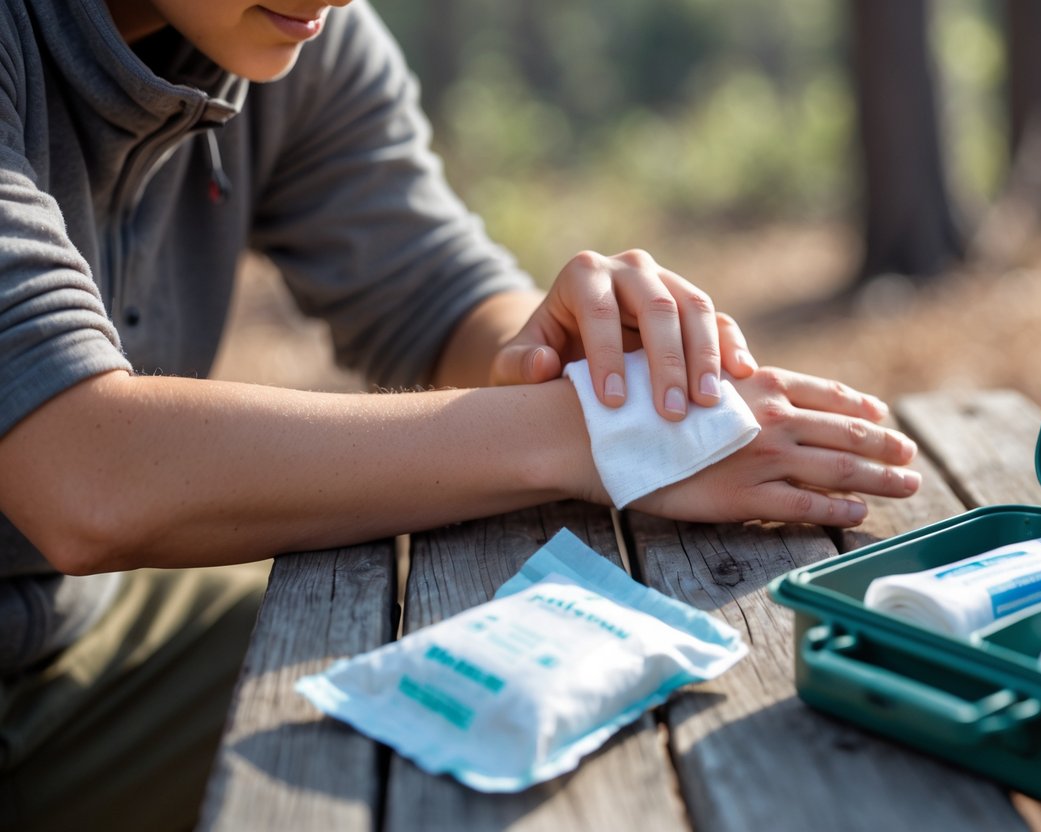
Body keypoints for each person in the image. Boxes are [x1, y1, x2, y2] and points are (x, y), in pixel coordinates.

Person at [0, 1, 922, 829]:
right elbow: (85, 473)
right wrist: (596, 436)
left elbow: (433, 294)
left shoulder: (284, 34)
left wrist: (590, 365)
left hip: (89, 632)